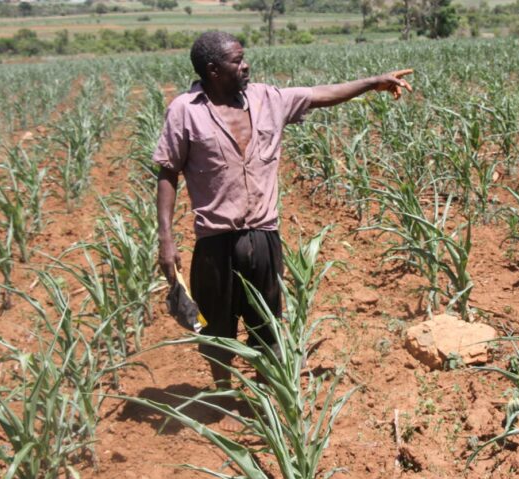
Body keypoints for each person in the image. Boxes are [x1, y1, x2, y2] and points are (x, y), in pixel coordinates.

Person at [154, 30, 412, 397]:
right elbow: (167, 171)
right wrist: (166, 240)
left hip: (262, 238)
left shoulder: (266, 99)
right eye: (236, 61)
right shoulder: (185, 110)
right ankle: (224, 396)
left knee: (267, 325)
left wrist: (373, 83)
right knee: (216, 330)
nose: (245, 66)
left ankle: (266, 398)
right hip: (214, 243)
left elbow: (320, 95)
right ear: (213, 70)